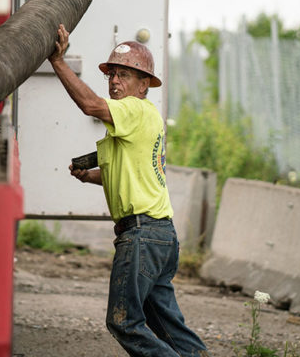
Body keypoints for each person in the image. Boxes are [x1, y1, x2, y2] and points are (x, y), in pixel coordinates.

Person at [48, 24, 209, 357]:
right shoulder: (138, 121)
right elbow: (124, 174)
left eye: (124, 75)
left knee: (124, 322)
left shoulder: (134, 110)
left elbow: (90, 106)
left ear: (144, 84)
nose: (115, 81)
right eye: (112, 75)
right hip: (160, 236)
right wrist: (89, 176)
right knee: (168, 327)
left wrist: (58, 62)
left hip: (142, 236)